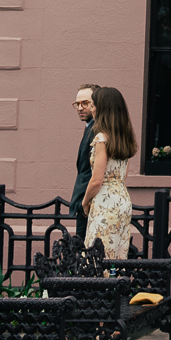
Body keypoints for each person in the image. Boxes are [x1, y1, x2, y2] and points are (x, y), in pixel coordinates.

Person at [82, 86, 135, 261]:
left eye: (94, 104)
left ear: (103, 108)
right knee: (117, 257)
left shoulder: (101, 139)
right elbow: (123, 175)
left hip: (105, 202)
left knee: (97, 257)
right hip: (122, 200)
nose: (92, 109)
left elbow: (97, 180)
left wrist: (85, 201)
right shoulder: (125, 138)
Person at [69, 84, 98, 239]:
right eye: (77, 104)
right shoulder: (90, 127)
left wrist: (84, 203)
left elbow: (94, 173)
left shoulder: (97, 130)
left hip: (90, 204)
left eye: (84, 103)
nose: (80, 108)